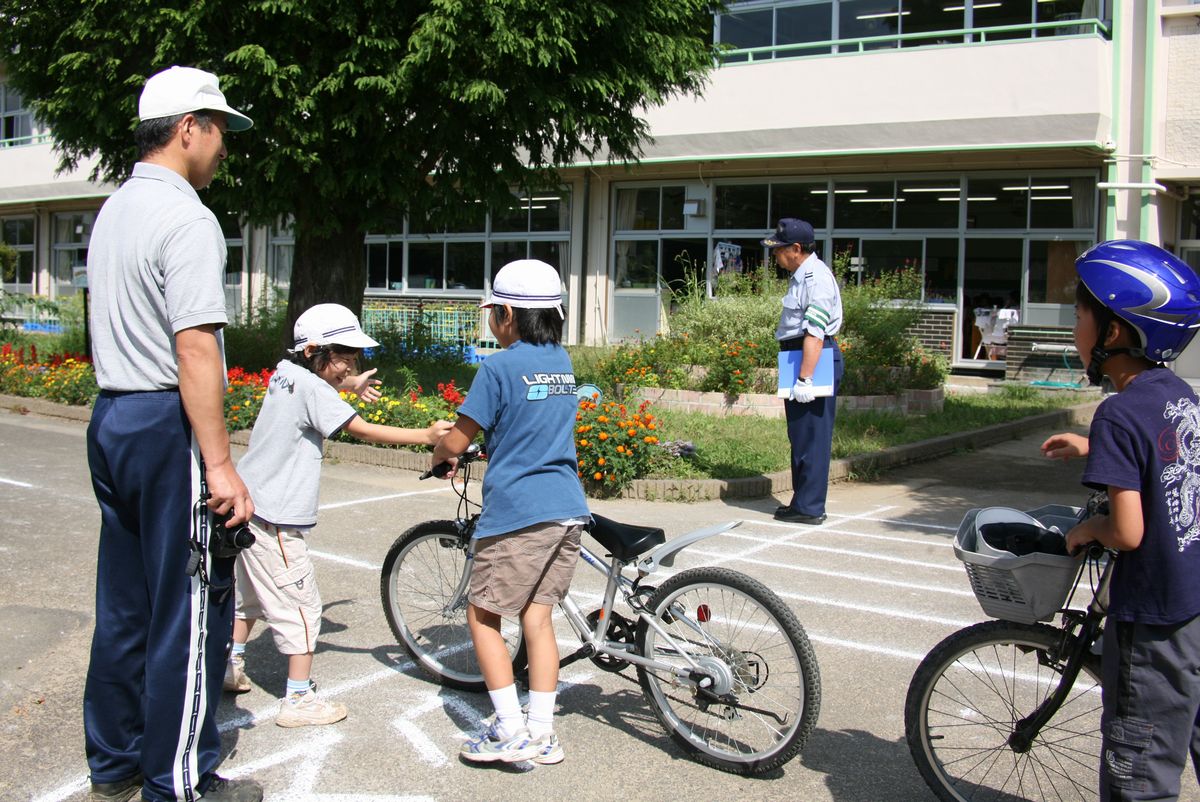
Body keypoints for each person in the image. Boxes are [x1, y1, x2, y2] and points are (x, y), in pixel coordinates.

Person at [84, 66, 262, 802]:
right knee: (191, 608)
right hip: (165, 424)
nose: (224, 145)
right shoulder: (188, 217)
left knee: (126, 604)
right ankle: (181, 781)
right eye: (219, 129)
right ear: (187, 128)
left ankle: (117, 760)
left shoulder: (115, 207)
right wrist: (220, 465)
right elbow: (195, 349)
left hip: (112, 417)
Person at [225, 304, 451, 726]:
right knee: (301, 606)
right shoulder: (314, 390)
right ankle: (298, 700)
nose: (350, 363)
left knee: (250, 597)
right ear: (314, 351)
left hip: (251, 508)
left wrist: (345, 386)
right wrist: (426, 435)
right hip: (276, 520)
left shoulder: (285, 373)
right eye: (343, 354)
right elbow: (360, 429)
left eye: (354, 355)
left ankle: (230, 663)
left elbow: (315, 394)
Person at [1041, 239, 1200, 801]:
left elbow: (1128, 532)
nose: (1076, 326)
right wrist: (1095, 449)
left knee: (1141, 774)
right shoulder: (1176, 393)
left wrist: (1090, 530)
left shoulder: (1117, 411)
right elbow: (1168, 454)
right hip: (1195, 601)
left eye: (1082, 314)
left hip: (1154, 621)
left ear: (1113, 332)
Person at [430, 259, 590, 765]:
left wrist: (441, 451)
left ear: (504, 313)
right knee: (538, 619)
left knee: (483, 615)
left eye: (492, 315)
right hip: (567, 508)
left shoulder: (496, 368)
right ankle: (541, 732)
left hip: (519, 513)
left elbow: (459, 437)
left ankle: (509, 728)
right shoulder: (560, 361)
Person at [764, 219, 843, 525]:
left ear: (796, 249)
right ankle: (802, 501)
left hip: (814, 359)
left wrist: (805, 378)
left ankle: (810, 507)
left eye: (779, 249)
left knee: (812, 436)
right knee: (800, 435)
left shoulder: (816, 278)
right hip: (800, 357)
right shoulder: (801, 275)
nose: (775, 255)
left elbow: (815, 332)